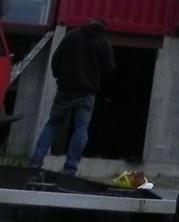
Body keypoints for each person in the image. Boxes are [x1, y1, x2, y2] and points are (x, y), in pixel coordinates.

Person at [29, 17, 115, 176]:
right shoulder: (104, 42)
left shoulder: (73, 35)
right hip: (86, 93)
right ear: (104, 27)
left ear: (90, 22)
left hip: (65, 90)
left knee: (52, 124)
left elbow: (56, 59)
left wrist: (58, 76)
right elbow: (109, 68)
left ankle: (36, 161)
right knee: (81, 129)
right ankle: (70, 168)